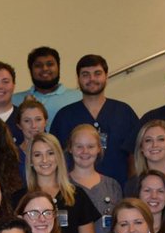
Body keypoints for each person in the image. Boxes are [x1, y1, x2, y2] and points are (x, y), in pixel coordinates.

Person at [50, 54, 138, 186]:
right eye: (85, 74)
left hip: (119, 190)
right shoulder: (64, 116)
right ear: (78, 79)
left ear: (106, 76)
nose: (92, 79)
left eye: (97, 73)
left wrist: (133, 188)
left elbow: (135, 154)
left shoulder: (124, 112)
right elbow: (54, 156)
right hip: (74, 191)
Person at [20, 133, 99, 233]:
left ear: (59, 157)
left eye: (50, 153)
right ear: (31, 161)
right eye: (38, 155)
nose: (45, 160)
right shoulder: (20, 198)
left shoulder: (77, 196)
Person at [67, 124, 123, 233]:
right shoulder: (61, 185)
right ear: (70, 148)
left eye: (90, 146)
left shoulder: (112, 186)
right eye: (79, 146)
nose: (85, 151)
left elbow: (120, 224)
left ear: (99, 148)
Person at [11, 46, 82, 126]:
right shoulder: (14, 101)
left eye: (50, 64)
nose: (45, 69)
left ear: (58, 67)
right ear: (30, 70)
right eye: (38, 65)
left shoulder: (78, 97)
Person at [128, 119, 165, 206]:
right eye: (148, 140)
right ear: (141, 147)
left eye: (161, 139)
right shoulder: (132, 185)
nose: (154, 145)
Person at [14, 97, 49, 170]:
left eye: (38, 119)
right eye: (27, 121)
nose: (33, 125)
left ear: (46, 122)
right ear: (19, 125)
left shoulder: (56, 153)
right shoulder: (13, 156)